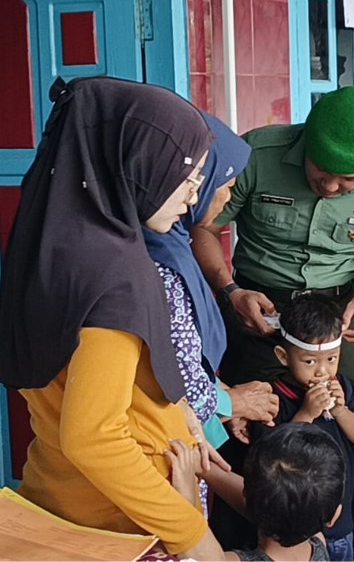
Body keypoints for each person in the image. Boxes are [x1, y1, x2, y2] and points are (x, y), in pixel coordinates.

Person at [0, 76, 224, 558]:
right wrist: (196, 538)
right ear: (137, 164)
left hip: (57, 495)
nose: (192, 199)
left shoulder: (50, 247)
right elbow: (94, 437)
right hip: (123, 523)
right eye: (186, 179)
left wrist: (180, 413)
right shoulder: (117, 276)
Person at [191, 86, 354, 560]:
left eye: (348, 181)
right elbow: (204, 228)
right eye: (321, 173)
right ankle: (241, 551)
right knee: (244, 429)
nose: (330, 188)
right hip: (256, 313)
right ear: (305, 141)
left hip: (337, 318)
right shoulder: (256, 155)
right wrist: (230, 290)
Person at [144, 113, 279, 511]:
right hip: (161, 455)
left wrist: (223, 403)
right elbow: (168, 375)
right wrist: (231, 403)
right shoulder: (158, 262)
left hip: (185, 440)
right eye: (226, 187)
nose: (222, 201)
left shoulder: (173, 242)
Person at [250, 293, 354, 561]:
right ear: (283, 356)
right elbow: (269, 460)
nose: (322, 372)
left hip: (339, 525)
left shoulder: (343, 389)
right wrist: (306, 414)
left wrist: (341, 411)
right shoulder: (271, 399)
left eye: (331, 359)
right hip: (290, 535)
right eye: (309, 361)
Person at [167, 423, 346, 561]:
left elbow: (196, 551)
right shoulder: (318, 543)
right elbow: (276, 500)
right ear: (333, 517)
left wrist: (187, 497)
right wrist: (205, 468)